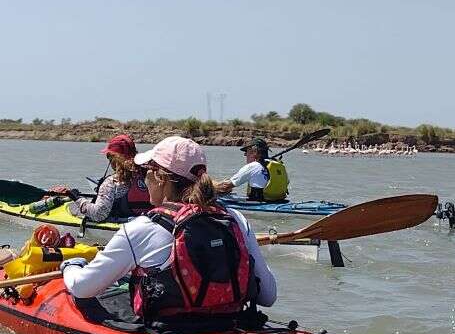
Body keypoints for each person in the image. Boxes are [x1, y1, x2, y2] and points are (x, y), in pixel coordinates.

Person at [59, 136, 277, 322]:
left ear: (160, 178)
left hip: (172, 330)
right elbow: (268, 296)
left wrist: (71, 266)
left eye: (147, 171)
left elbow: (81, 288)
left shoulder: (141, 228)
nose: (144, 177)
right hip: (230, 323)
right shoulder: (235, 219)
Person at [70, 134, 151, 222]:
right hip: (150, 222)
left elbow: (98, 215)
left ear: (114, 158)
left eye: (108, 156)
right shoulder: (150, 174)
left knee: (74, 208)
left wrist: (76, 197)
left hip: (125, 228)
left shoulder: (112, 182)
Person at [221, 137, 288, 202]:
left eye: (246, 153)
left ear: (254, 152)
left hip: (260, 204)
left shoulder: (253, 166)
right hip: (279, 201)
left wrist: (211, 186)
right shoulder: (279, 166)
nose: (245, 155)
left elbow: (225, 186)